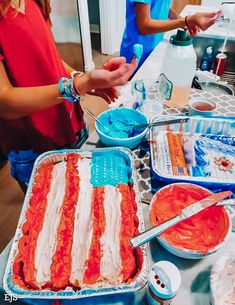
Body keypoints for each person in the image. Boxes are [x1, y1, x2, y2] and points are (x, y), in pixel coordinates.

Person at [0, 0, 137, 191]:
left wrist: (79, 78)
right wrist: (78, 85)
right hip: (34, 145)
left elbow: (47, 54)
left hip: (69, 124)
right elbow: (4, 102)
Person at [120, 0, 221, 69]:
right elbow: (144, 27)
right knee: (134, 96)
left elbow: (162, 6)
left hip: (153, 49)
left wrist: (182, 20)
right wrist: (185, 21)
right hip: (137, 53)